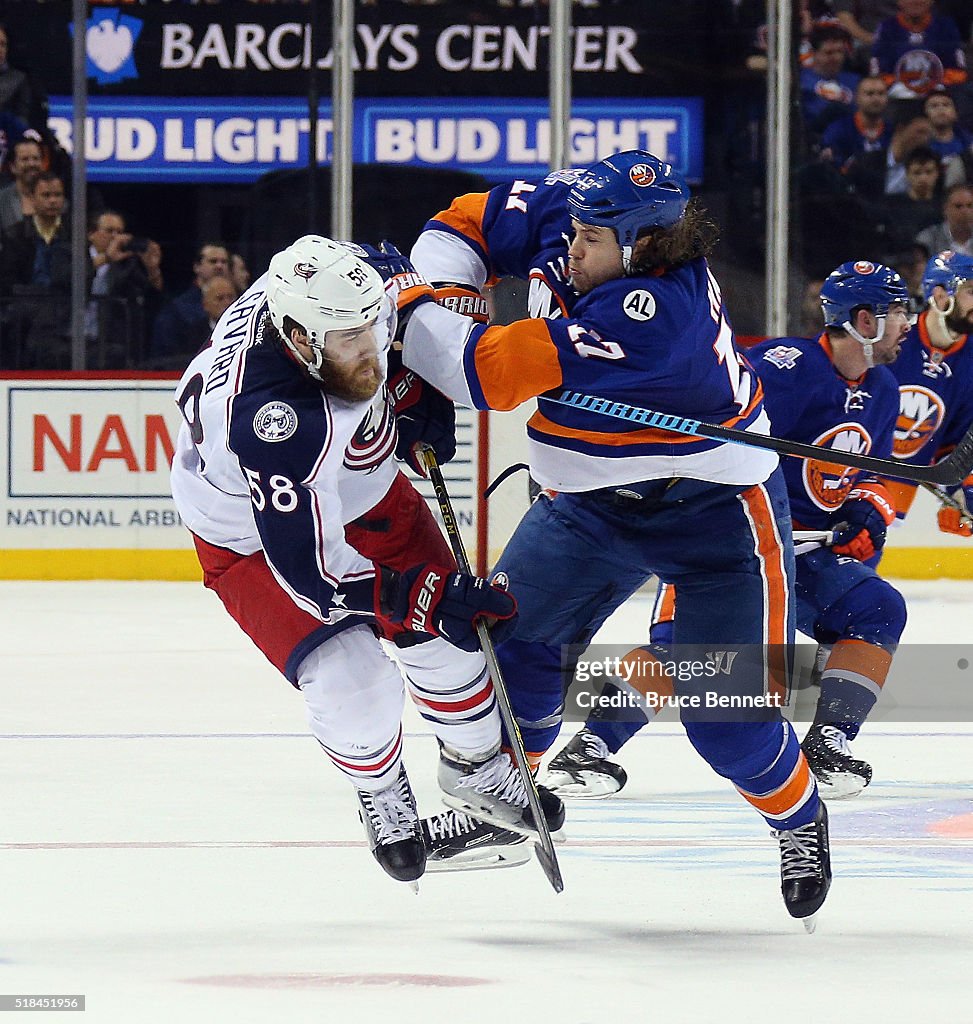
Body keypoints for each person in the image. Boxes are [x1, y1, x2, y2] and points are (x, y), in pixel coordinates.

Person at [392, 151, 832, 924]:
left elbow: (483, 377)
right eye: (575, 232)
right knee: (513, 648)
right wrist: (452, 297)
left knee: (726, 721)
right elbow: (458, 223)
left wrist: (409, 310)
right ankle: (508, 800)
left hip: (715, 516)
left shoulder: (653, 316)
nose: (569, 249)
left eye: (590, 242)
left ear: (641, 247)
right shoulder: (573, 213)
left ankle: (799, 819)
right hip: (585, 507)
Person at [168, 235, 562, 886]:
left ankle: (477, 770)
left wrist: (410, 386)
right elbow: (317, 578)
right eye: (347, 341)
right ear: (296, 338)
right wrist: (426, 595)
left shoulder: (335, 289)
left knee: (449, 645)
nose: (366, 348)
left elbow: (392, 274)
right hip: (251, 540)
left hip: (360, 483)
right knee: (353, 684)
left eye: (367, 330)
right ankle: (380, 786)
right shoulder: (271, 417)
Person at [546, 262, 912, 802]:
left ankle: (828, 742)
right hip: (730, 540)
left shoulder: (882, 388)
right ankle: (589, 747)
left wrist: (866, 514)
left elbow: (873, 474)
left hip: (806, 556)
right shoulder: (786, 371)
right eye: (898, 312)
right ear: (865, 320)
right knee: (683, 650)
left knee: (878, 609)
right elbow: (716, 435)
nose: (909, 323)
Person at [881, 250, 973, 536]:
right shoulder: (889, 338)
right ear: (940, 295)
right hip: (837, 474)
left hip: (892, 495)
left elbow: (956, 445)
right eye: (971, 291)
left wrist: (964, 495)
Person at [86, 208, 165, 369]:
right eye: (109, 231)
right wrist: (107, 258)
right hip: (72, 336)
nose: (116, 237)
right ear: (91, 234)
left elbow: (150, 298)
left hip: (108, 342)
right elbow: (66, 279)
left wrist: (152, 270)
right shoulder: (71, 254)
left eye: (119, 232)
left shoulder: (127, 264)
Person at [150, 243, 230, 368]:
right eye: (213, 261)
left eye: (224, 262)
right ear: (197, 267)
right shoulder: (177, 309)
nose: (219, 266)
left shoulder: (241, 303)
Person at [916, 183, 973, 257]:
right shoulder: (928, 240)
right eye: (958, 206)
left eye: (969, 206)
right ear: (945, 209)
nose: (965, 211)